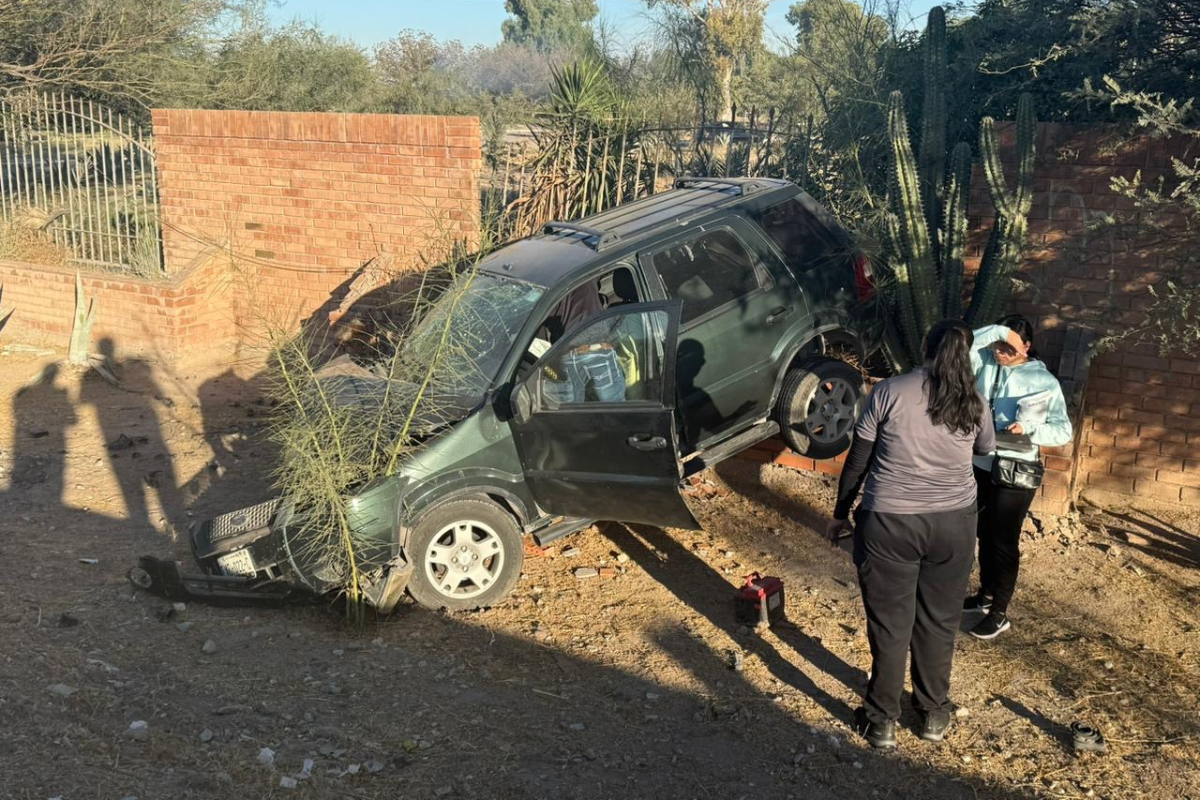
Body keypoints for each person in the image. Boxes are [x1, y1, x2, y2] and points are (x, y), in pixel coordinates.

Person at [826, 320, 995, 749]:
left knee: (890, 622)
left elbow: (858, 459)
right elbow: (984, 452)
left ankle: (881, 720)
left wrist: (841, 512)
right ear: (967, 353)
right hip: (954, 524)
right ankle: (933, 713)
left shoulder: (888, 392)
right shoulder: (974, 401)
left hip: (889, 523)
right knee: (939, 620)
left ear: (925, 345)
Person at [964, 315, 1072, 640]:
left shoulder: (1044, 381)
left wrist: (1030, 428)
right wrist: (997, 332)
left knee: (1004, 539)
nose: (1001, 351)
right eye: (998, 345)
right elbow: (965, 346)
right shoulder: (984, 362)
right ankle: (984, 593)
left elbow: (1063, 430)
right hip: (981, 462)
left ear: (1026, 346)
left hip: (1016, 468)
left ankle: (999, 612)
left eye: (1009, 347)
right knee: (982, 530)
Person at [538, 280, 626, 404]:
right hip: (597, 349)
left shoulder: (544, 282)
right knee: (615, 408)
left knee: (572, 413)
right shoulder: (581, 267)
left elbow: (541, 329)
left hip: (567, 354)